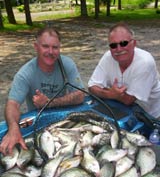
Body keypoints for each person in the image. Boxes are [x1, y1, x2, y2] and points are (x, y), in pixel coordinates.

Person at [0, 27, 85, 155]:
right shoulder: (25, 73)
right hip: (38, 123)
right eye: (45, 46)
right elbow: (13, 104)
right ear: (36, 47)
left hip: (64, 120)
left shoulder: (67, 64)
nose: (50, 52)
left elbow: (80, 95)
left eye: (55, 47)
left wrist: (49, 102)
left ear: (59, 48)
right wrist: (13, 128)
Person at [88, 21, 160, 119]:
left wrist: (106, 92)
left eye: (124, 43)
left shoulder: (145, 62)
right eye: (113, 45)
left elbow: (128, 100)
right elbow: (92, 87)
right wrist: (111, 94)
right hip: (122, 110)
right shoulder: (107, 57)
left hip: (151, 115)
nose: (118, 49)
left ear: (134, 43)